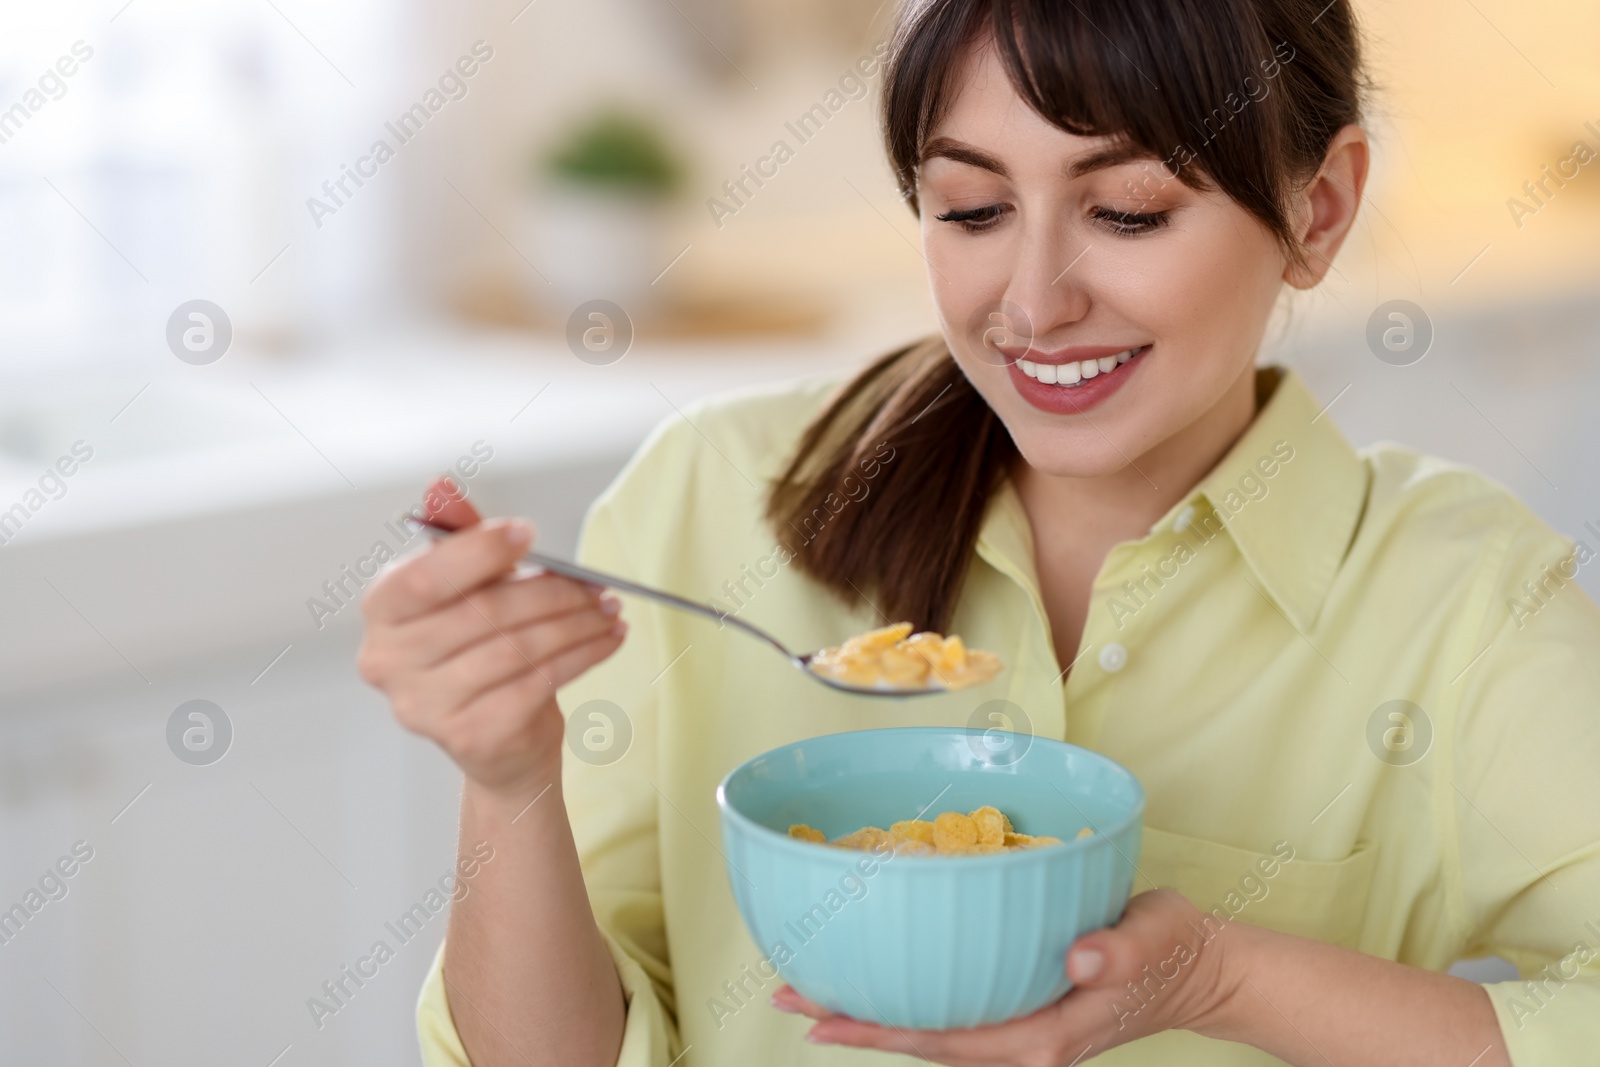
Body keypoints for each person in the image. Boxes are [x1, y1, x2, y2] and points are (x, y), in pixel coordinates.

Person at [356, 0, 1600, 1063]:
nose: (1033, 304)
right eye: (968, 210)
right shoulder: (709, 498)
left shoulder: (1461, 600)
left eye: (1125, 212)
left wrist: (1228, 978)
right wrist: (507, 776)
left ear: (1318, 210)